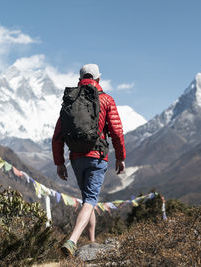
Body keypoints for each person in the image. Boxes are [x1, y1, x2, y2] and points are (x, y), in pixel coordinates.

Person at [52, 63, 126, 256]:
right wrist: (120, 157)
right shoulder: (106, 99)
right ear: (98, 79)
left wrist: (59, 162)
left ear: (80, 78)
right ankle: (72, 240)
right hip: (97, 156)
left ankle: (91, 241)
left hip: (76, 158)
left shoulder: (70, 101)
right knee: (91, 199)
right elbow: (117, 132)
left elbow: (57, 135)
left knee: (87, 200)